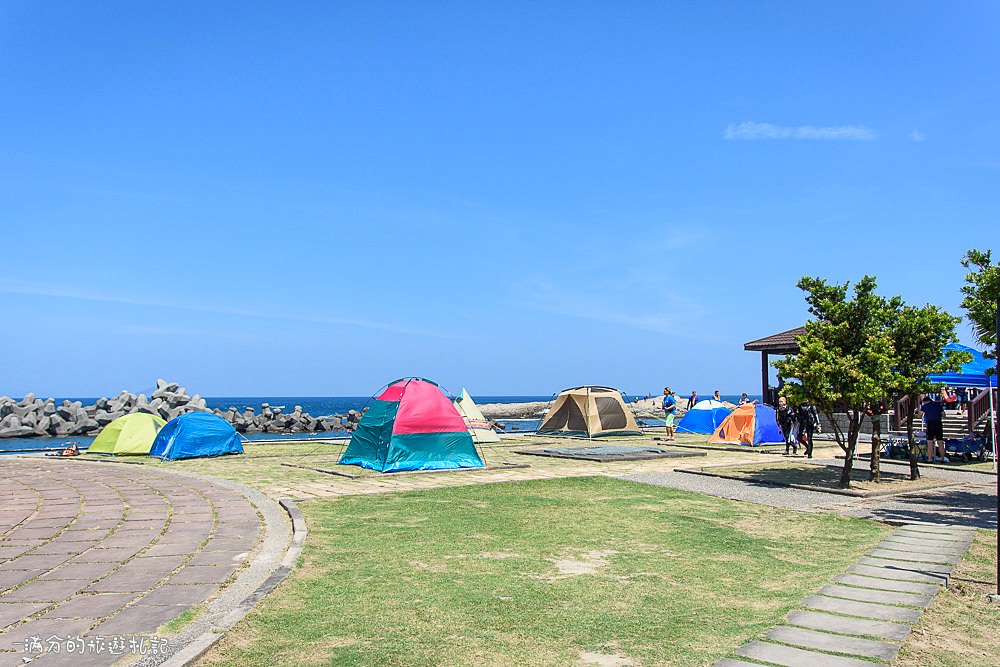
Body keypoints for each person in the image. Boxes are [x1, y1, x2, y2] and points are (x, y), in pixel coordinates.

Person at [919, 394, 948, 463]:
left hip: (930, 424)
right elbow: (944, 415)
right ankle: (942, 459)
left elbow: (919, 416)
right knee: (940, 442)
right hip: (938, 423)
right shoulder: (938, 405)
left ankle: (930, 459)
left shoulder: (925, 406)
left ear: (925, 401)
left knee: (930, 442)